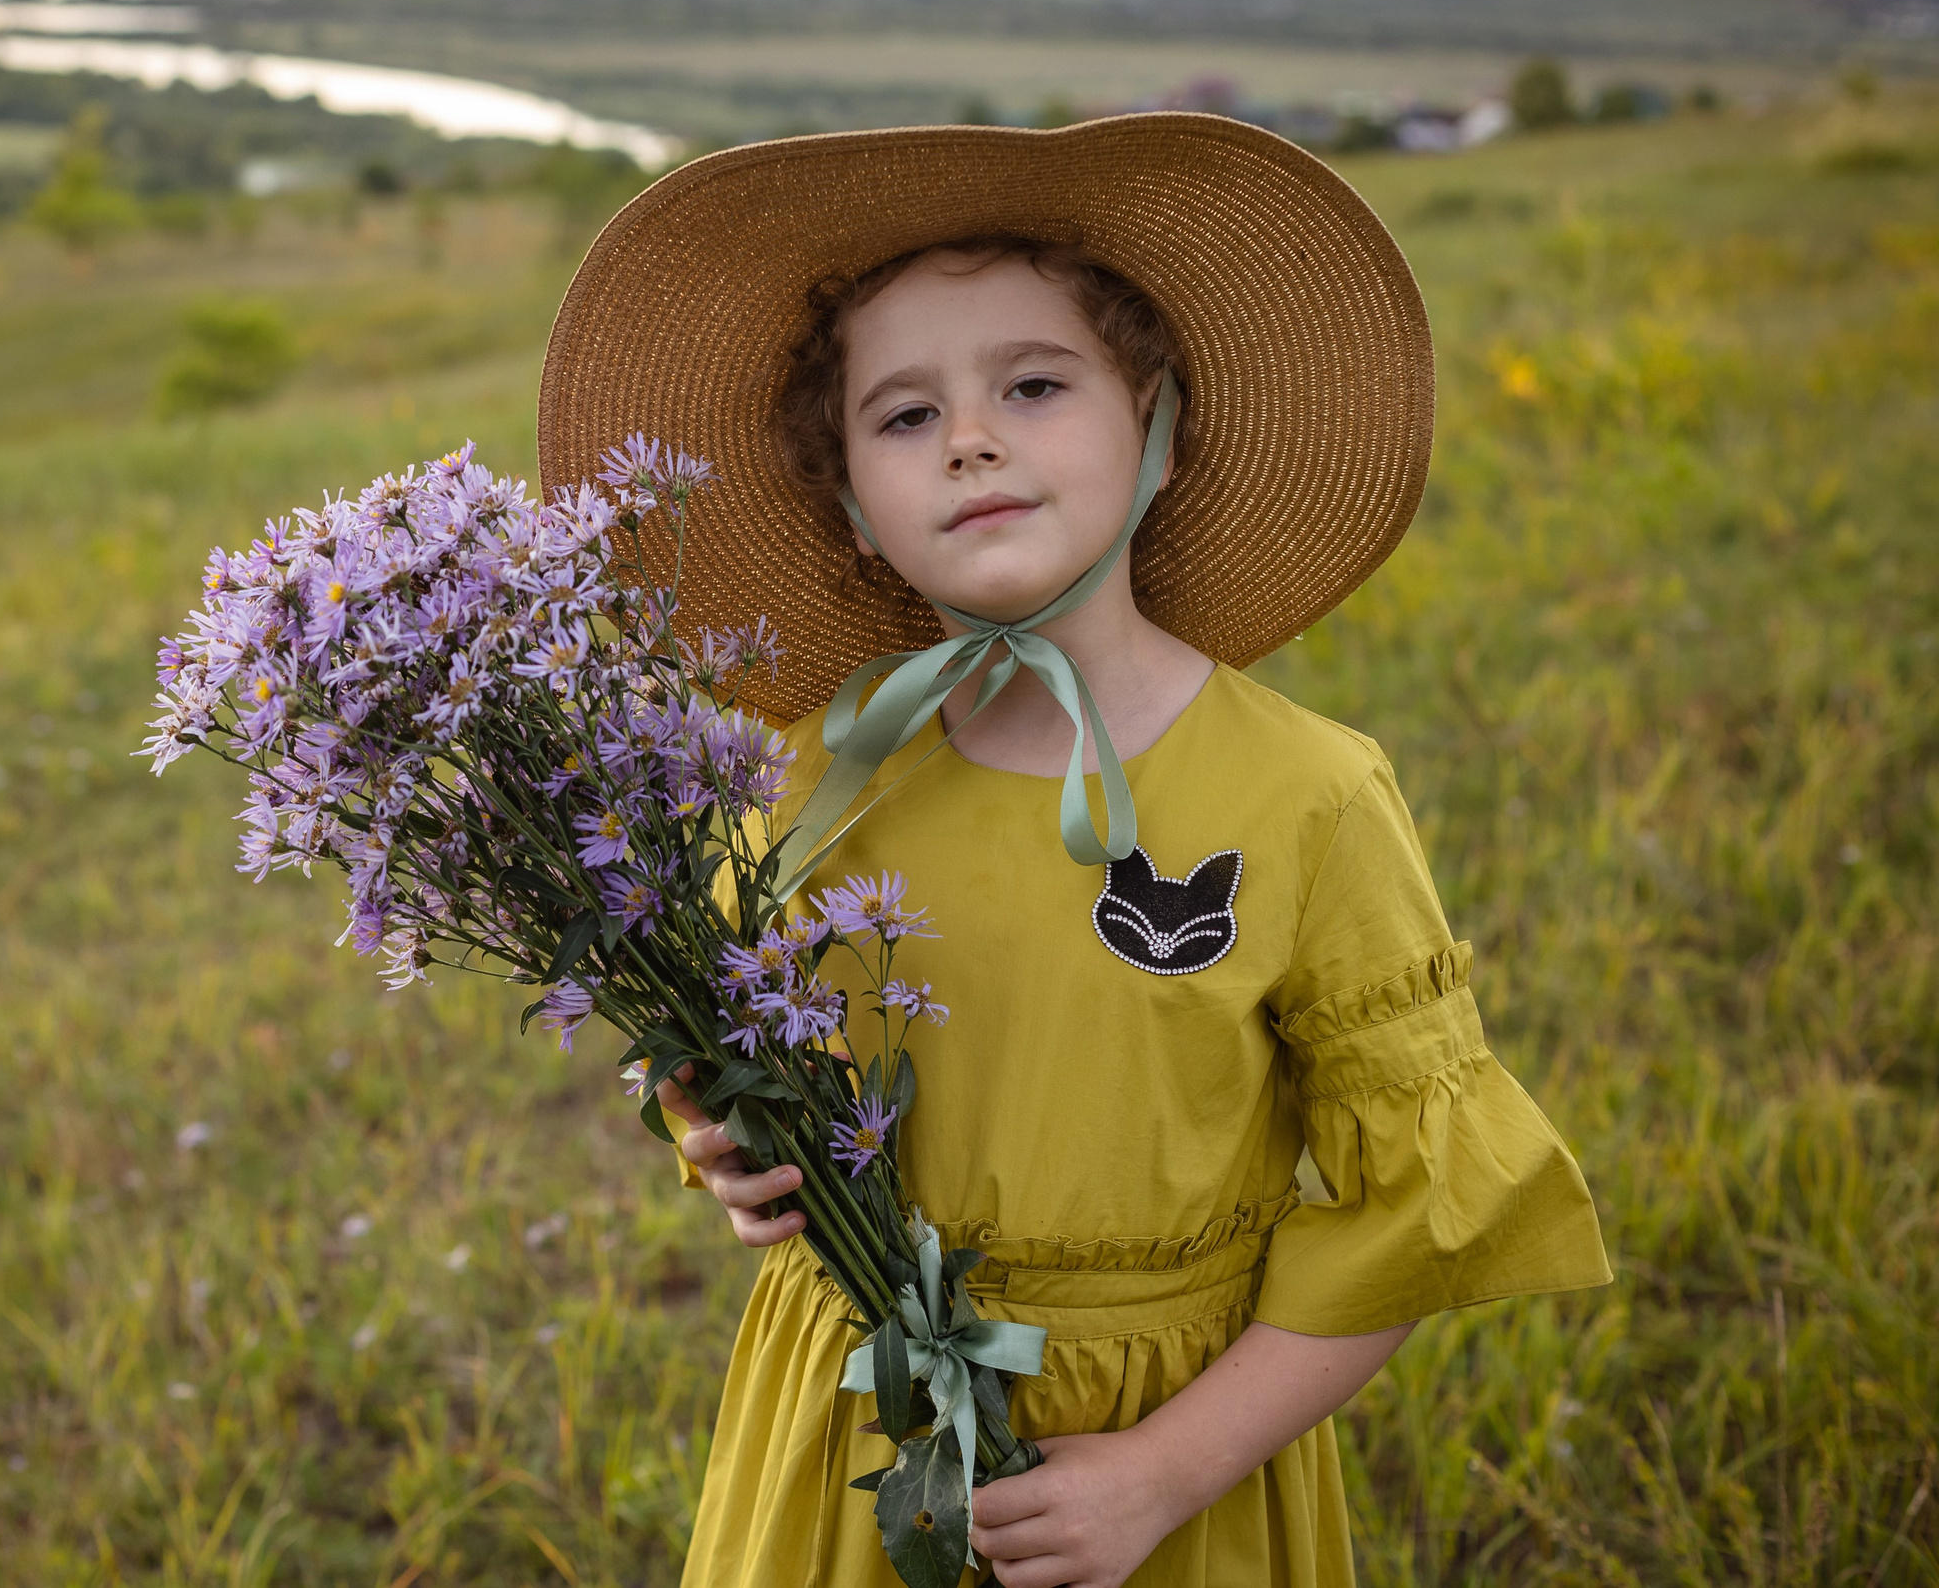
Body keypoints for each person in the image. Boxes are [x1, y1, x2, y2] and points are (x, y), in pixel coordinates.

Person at [535, 115, 1612, 1588]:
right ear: (851, 505)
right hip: (854, 1426)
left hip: (1162, 1458)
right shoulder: (797, 782)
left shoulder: (1308, 795)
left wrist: (1164, 1475)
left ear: (1156, 428)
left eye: (1034, 386)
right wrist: (716, 1140)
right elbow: (717, 1042)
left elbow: (1413, 1214)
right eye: (903, 417)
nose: (969, 438)